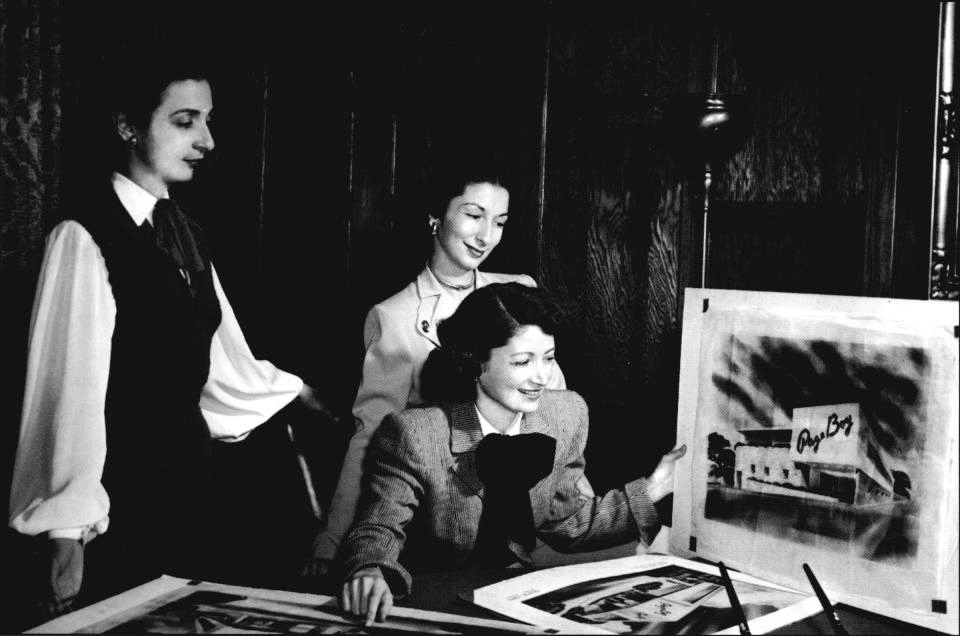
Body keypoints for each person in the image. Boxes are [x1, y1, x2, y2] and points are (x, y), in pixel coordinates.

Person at [7, 53, 328, 618]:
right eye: (185, 121)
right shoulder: (83, 236)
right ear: (128, 125)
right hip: (119, 502)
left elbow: (222, 354)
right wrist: (66, 532)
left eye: (207, 120)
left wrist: (297, 393)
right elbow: (68, 393)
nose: (205, 140)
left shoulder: (184, 231)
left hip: (190, 490)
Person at [339, 282, 686, 625]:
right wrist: (371, 570)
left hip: (516, 600)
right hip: (433, 600)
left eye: (548, 358)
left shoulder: (565, 416)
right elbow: (379, 526)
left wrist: (654, 488)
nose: (542, 377)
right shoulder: (415, 434)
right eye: (523, 362)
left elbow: (567, 521)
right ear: (475, 362)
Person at [307, 165, 567, 575]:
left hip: (533, 515)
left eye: (499, 221)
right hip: (446, 525)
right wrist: (334, 540)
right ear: (435, 216)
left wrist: (583, 504)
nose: (486, 236)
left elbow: (556, 413)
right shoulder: (394, 317)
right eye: (473, 214)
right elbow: (371, 436)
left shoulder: (521, 292)